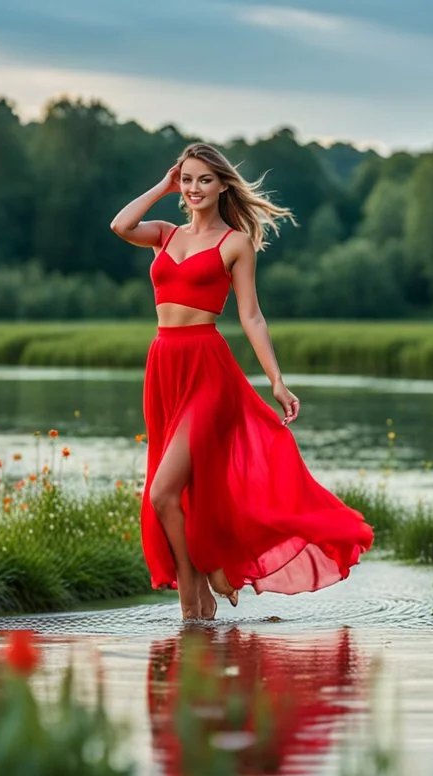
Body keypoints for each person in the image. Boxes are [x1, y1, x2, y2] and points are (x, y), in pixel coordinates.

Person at [109, 142, 372, 621]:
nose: (193, 189)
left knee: (164, 491)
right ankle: (198, 594)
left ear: (223, 185)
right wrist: (163, 186)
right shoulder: (164, 234)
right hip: (163, 366)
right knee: (175, 492)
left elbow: (251, 316)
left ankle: (203, 584)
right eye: (186, 180)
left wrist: (277, 380)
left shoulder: (234, 243)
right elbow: (120, 225)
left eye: (203, 180)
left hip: (208, 369)